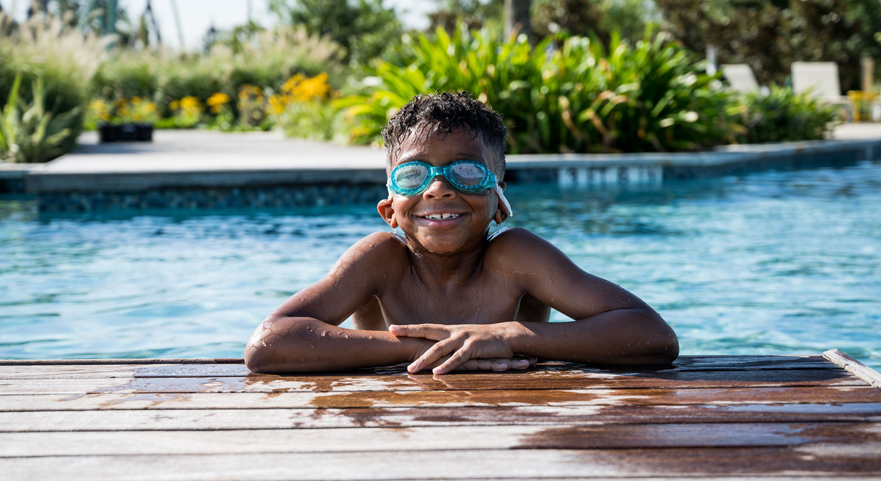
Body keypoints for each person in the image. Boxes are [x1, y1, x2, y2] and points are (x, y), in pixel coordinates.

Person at [245, 92, 678, 375]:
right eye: (414, 175)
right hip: (398, 429)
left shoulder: (516, 257)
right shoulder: (381, 260)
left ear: (498, 201)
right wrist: (421, 347)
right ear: (389, 210)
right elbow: (269, 343)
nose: (438, 187)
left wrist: (506, 337)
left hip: (516, 425)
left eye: (466, 172)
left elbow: (652, 336)